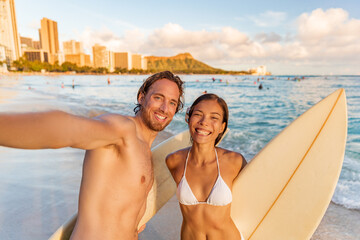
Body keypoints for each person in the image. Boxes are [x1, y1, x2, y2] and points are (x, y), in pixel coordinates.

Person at [0, 71, 184, 240]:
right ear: (141, 97)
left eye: (172, 102)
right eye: (158, 98)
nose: (164, 108)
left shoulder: (145, 151)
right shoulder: (122, 130)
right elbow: (65, 129)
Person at [166, 93, 247, 240]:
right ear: (188, 118)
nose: (204, 122)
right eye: (198, 114)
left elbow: (254, 201)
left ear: (222, 127)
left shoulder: (235, 161)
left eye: (214, 117)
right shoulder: (174, 161)